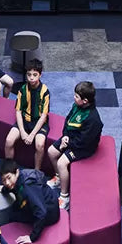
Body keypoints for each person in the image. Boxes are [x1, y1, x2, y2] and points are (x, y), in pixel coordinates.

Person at [46, 81, 103, 210]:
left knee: (61, 163)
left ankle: (64, 196)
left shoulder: (93, 119)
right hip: (71, 138)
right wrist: (65, 135)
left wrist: (67, 144)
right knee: (51, 152)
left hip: (84, 148)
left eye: (77, 96)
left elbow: (84, 141)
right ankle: (59, 178)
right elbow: (68, 121)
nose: (74, 98)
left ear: (85, 101)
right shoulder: (76, 106)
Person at [0, 157, 60, 244]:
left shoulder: (28, 186)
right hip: (42, 204)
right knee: (14, 208)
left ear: (17, 172)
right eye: (4, 180)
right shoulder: (19, 177)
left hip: (49, 213)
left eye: (9, 178)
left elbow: (41, 212)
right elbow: (11, 187)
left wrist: (32, 237)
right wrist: (3, 189)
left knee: (12, 216)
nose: (7, 183)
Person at [4, 57, 50, 168]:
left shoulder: (45, 91)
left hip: (39, 123)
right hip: (24, 121)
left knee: (39, 145)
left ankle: (36, 172)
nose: (31, 78)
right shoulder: (23, 89)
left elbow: (44, 116)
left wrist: (32, 134)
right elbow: (18, 111)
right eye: (29, 75)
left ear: (40, 75)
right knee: (9, 140)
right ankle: (9, 169)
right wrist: (23, 132)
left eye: (35, 75)